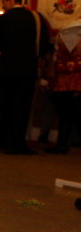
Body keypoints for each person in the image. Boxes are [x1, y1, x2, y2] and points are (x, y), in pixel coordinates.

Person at [0, 0, 50, 154]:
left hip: (5, 69)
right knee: (22, 108)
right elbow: (44, 46)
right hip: (28, 71)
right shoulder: (37, 18)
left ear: (11, 1)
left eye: (4, 1)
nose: (3, 5)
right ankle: (17, 144)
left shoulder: (2, 20)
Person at [45, 19, 81, 154]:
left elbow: (59, 64)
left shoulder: (64, 46)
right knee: (66, 117)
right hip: (67, 85)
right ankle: (62, 144)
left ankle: (62, 144)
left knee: (67, 117)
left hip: (69, 85)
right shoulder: (66, 46)